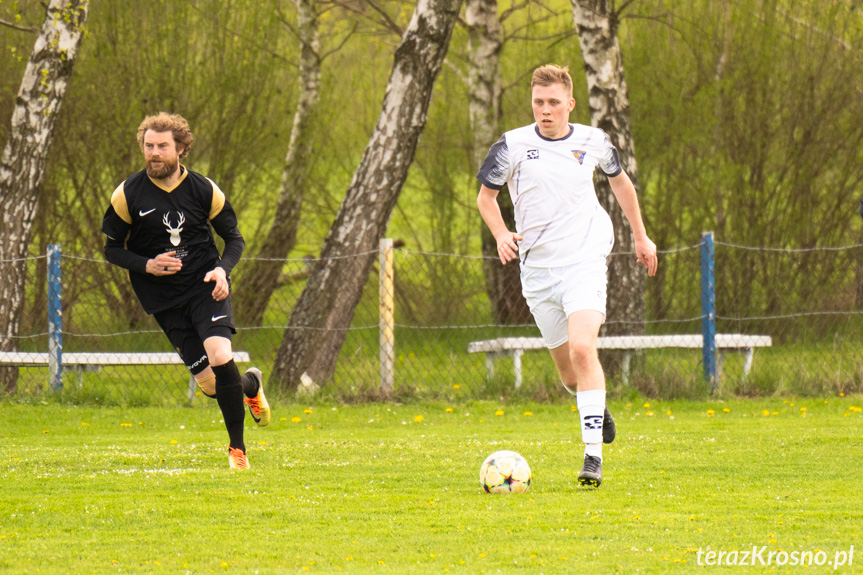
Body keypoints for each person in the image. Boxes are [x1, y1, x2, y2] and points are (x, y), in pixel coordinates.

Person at [476, 65, 658, 487]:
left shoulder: (594, 142)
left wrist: (641, 236)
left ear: (570, 105)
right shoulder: (511, 145)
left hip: (585, 261)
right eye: (538, 103)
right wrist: (501, 233)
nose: (545, 110)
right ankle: (597, 407)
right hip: (537, 272)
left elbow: (622, 185)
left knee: (582, 349)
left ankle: (591, 457)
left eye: (554, 102)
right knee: (570, 374)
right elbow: (486, 198)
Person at [102, 112, 270, 470]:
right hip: (163, 300)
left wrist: (222, 271)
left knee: (219, 353)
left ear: (181, 149)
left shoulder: (203, 189)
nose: (154, 153)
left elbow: (234, 239)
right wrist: (147, 265)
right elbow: (112, 248)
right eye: (149, 146)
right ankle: (250, 385)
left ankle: (237, 451)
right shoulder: (127, 193)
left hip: (204, 286)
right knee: (212, 385)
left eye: (162, 146)